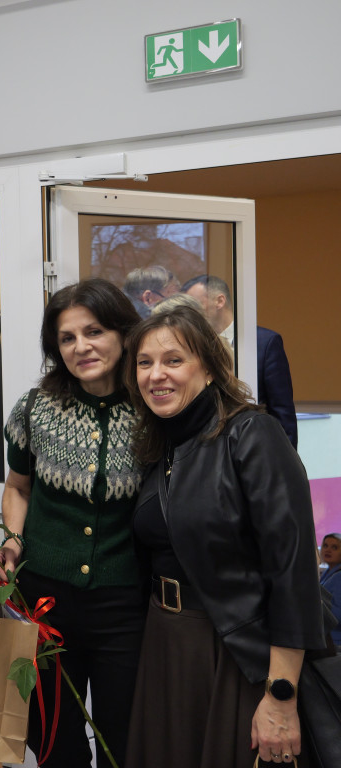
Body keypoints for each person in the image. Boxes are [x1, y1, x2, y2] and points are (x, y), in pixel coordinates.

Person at [123, 303, 324, 768]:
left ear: (211, 368)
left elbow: (293, 573)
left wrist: (280, 696)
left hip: (233, 653)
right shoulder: (157, 446)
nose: (157, 375)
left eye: (174, 360)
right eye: (144, 363)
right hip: (165, 645)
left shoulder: (252, 435)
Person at [0, 278, 145, 768]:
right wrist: (12, 540)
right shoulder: (35, 408)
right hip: (45, 600)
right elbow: (18, 486)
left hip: (125, 604)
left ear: (123, 333)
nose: (82, 347)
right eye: (67, 337)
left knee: (123, 738)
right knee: (54, 737)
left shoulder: (153, 410)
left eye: (94, 331)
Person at [183, 274, 299, 448]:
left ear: (219, 301)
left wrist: (285, 461)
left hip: (255, 444)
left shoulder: (264, 342)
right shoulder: (195, 346)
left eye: (196, 304)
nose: (192, 314)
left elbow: (282, 411)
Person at [321, 533, 341, 648]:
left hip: (336, 642)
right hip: (327, 640)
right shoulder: (327, 572)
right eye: (325, 545)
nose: (328, 550)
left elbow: (338, 614)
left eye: (334, 547)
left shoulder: (339, 577)